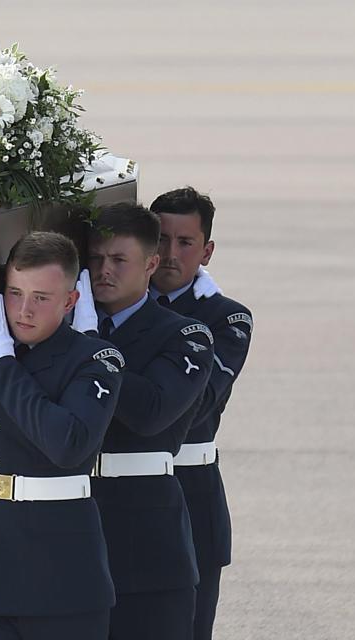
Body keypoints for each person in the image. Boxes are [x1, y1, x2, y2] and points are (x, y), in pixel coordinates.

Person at [0, 231, 124, 640]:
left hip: (61, 574)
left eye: (41, 297)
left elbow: (67, 445)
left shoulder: (94, 360)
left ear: (70, 302)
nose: (24, 310)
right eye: (14, 294)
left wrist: (2, 366)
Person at [83, 204, 215, 640]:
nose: (104, 271)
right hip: (72, 526)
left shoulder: (185, 335)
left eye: (119, 260)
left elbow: (151, 413)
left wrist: (90, 349)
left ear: (150, 264)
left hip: (146, 534)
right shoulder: (59, 330)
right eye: (96, 260)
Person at [150, 187, 254, 640]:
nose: (170, 254)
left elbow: (191, 406)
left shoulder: (227, 319)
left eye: (185, 242)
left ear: (206, 250)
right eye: (159, 240)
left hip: (191, 493)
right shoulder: (109, 309)